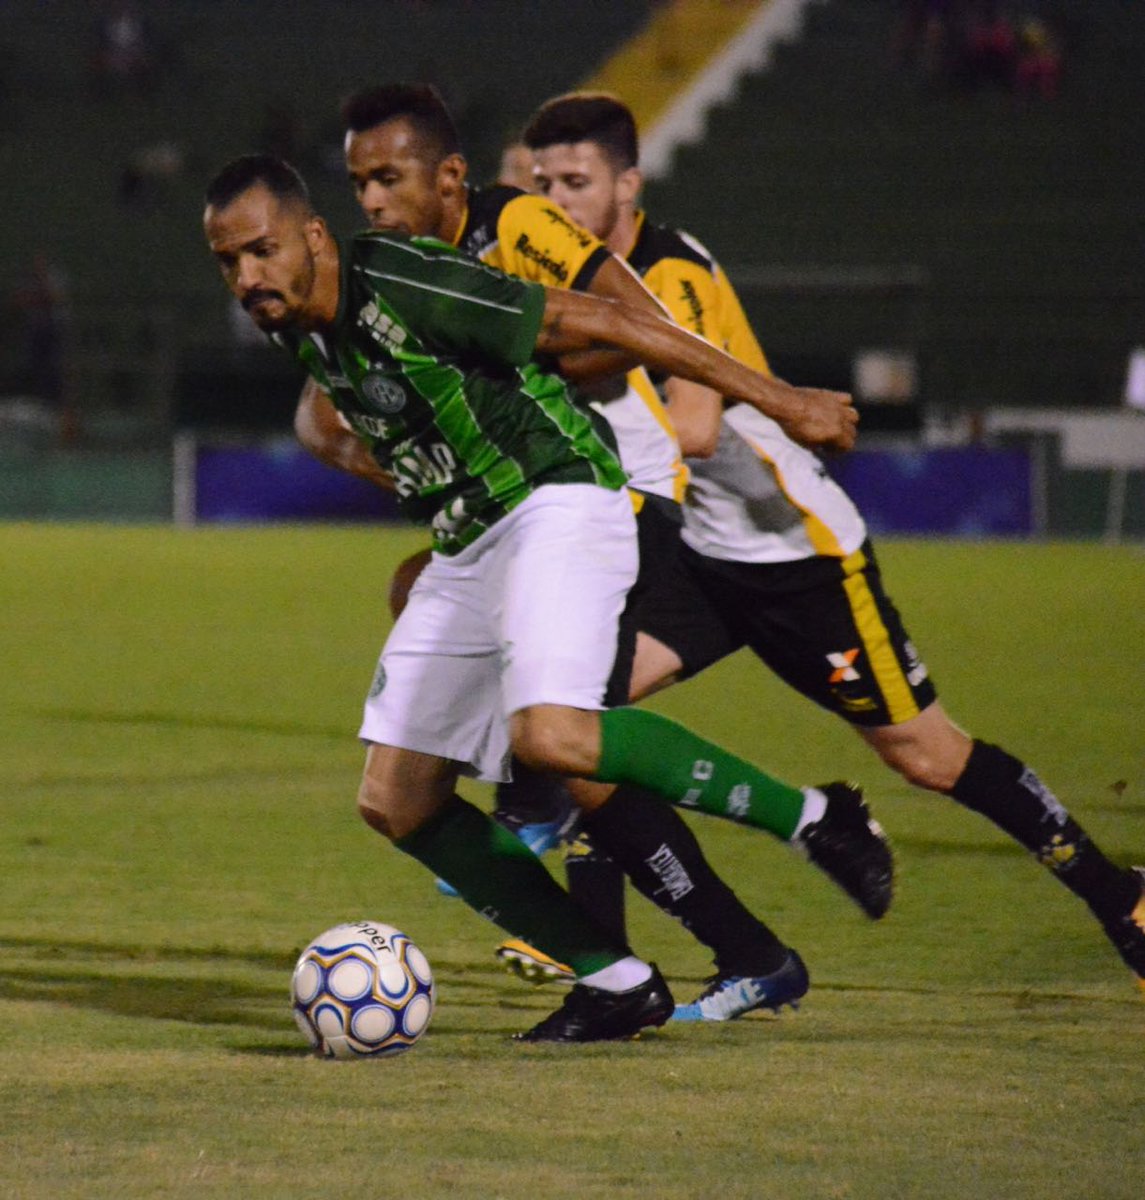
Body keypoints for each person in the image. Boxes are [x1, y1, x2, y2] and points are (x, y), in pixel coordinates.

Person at [202, 154, 877, 1043]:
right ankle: (616, 980)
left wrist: (782, 401)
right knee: (396, 799)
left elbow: (604, 317)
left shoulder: (404, 279)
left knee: (552, 736)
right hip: (470, 538)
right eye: (229, 263)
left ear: (313, 237)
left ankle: (815, 817)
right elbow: (343, 417)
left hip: (558, 498)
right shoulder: (297, 322)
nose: (248, 277)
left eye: (262, 251)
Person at [518, 90, 1145, 994]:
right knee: (581, 728)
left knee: (927, 755)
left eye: (574, 181)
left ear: (628, 183)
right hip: (699, 556)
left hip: (793, 557)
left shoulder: (670, 273)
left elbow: (692, 428)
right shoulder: (566, 277)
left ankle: (1116, 893)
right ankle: (598, 958)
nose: (556, 199)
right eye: (541, 183)